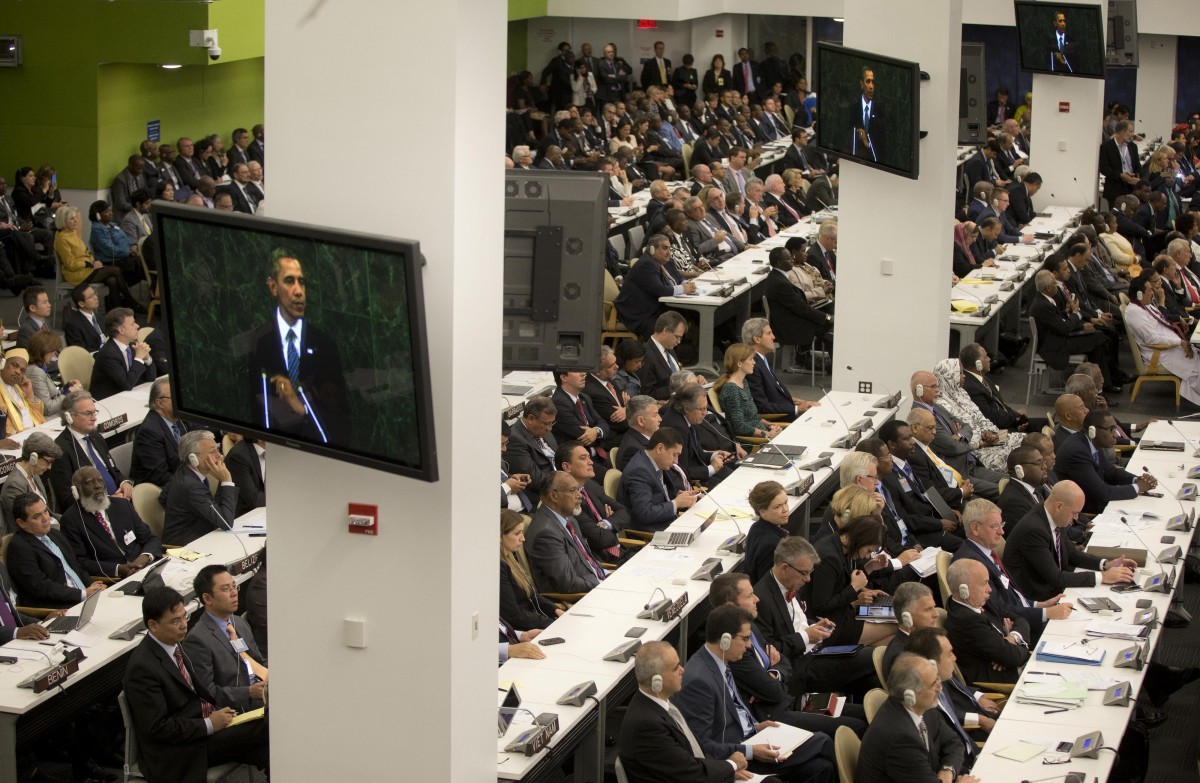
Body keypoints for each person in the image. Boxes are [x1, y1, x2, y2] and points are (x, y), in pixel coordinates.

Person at [674, 605, 838, 783]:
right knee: (823, 740)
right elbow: (701, 745)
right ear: (725, 640)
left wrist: (756, 725)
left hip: (754, 736)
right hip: (739, 755)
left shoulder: (721, 660)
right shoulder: (700, 681)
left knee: (821, 768)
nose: (749, 645)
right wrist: (751, 751)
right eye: (745, 639)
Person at [124, 586, 270, 782]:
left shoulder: (173, 644)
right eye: (176, 621)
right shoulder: (142, 668)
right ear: (153, 625)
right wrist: (209, 724)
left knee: (272, 751)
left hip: (202, 729)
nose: (184, 625)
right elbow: (158, 728)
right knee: (268, 725)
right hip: (181, 748)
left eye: (185, 617)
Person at [708, 573, 870, 739]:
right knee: (857, 727)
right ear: (729, 604)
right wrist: (775, 672)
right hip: (776, 714)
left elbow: (783, 661)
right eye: (750, 595)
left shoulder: (751, 626)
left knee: (866, 713)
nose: (757, 599)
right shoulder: (733, 644)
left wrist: (774, 672)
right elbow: (773, 691)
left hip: (792, 699)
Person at [753, 537, 879, 698]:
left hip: (816, 649)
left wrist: (815, 626)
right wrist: (806, 636)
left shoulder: (789, 581)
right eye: (804, 573)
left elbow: (798, 620)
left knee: (873, 677)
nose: (808, 579)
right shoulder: (761, 599)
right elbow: (770, 650)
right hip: (799, 666)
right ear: (784, 568)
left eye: (810, 572)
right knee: (873, 657)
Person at [249, 248, 349, 445]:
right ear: (273, 287)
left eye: (301, 282)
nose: (298, 291)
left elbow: (340, 415)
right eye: (289, 281)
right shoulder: (261, 342)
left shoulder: (324, 344)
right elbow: (254, 407)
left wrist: (300, 405)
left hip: (320, 445)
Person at [616, 640, 753, 783]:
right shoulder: (646, 725)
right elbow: (690, 773)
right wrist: (731, 765)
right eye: (675, 668)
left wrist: (724, 771)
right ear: (657, 682)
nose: (682, 670)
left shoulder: (662, 704)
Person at [951, 498, 1072, 642]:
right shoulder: (971, 564)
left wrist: (1039, 605)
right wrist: (1046, 613)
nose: (1002, 532)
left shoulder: (985, 552)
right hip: (1018, 627)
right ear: (975, 528)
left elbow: (1008, 593)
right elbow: (998, 608)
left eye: (1001, 524)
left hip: (1025, 616)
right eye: (995, 526)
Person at [1002, 481, 1136, 601]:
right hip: (1040, 597)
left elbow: (1070, 553)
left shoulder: (1052, 516)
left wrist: (1105, 564)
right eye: (1074, 513)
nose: (1076, 518)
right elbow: (1056, 579)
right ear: (1059, 506)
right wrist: (1103, 577)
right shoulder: (1034, 530)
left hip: (1055, 588)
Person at [855, 654, 975, 783]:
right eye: (933, 684)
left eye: (938, 679)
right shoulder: (900, 738)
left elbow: (954, 742)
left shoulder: (922, 708)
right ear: (910, 696)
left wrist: (948, 770)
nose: (940, 688)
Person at [902, 629, 992, 772]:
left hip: (972, 758)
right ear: (931, 664)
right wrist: (951, 771)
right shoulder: (922, 706)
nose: (955, 658)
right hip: (963, 769)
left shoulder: (940, 686)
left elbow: (953, 741)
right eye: (949, 654)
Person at [182, 565, 269, 713]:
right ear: (207, 598)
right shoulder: (197, 640)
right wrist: (247, 692)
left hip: (265, 692)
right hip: (240, 708)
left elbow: (259, 661)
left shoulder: (239, 623)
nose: (234, 593)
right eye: (225, 589)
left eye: (234, 586)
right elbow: (207, 693)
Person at [807, 515, 900, 648]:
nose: (867, 556)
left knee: (891, 639)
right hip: (831, 625)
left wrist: (869, 568)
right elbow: (821, 607)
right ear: (859, 539)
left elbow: (845, 578)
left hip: (846, 613)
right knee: (901, 624)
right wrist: (854, 589)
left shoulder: (843, 547)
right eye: (868, 551)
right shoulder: (828, 557)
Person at [6, 492, 106, 609]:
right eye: (37, 516)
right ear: (21, 523)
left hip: (86, 598)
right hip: (59, 609)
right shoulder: (19, 547)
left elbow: (76, 566)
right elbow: (40, 587)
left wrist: (90, 585)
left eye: (46, 511)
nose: (45, 519)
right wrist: (83, 594)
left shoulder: (56, 535)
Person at [61, 466, 161, 579]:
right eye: (90, 482)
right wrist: (118, 569)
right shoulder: (71, 520)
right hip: (115, 579)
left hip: (146, 567)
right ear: (76, 491)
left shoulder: (122, 505)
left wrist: (145, 557)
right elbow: (81, 562)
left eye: (100, 480)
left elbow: (150, 538)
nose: (98, 486)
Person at [944, 559, 1030, 686]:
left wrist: (1013, 638)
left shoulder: (979, 601)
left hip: (1018, 667)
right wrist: (1012, 649)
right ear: (964, 590)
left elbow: (1020, 620)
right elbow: (1014, 658)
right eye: (984, 583)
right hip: (1006, 679)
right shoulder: (966, 620)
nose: (989, 589)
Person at [47, 391, 133, 514]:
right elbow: (68, 499)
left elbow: (113, 470)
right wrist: (110, 501)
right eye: (88, 413)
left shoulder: (95, 436)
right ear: (69, 417)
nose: (94, 418)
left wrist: (125, 483)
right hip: (95, 513)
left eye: (94, 412)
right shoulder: (61, 450)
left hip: (121, 501)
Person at [1055, 409, 1155, 513]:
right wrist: (1138, 487)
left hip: (1096, 500)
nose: (1115, 434)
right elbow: (1103, 493)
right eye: (1111, 429)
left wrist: (1136, 479)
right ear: (1093, 430)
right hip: (1084, 509)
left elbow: (1110, 471)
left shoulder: (1090, 442)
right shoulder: (1077, 452)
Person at [523, 471, 606, 594]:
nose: (580, 495)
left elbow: (587, 561)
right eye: (572, 490)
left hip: (595, 583)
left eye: (578, 489)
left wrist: (607, 575)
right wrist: (600, 582)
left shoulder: (569, 519)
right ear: (554, 496)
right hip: (581, 598)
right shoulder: (546, 534)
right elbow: (569, 584)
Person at [1125, 272, 1200, 406]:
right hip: (1160, 353)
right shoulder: (1134, 312)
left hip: (1171, 347)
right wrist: (1180, 342)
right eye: (1149, 291)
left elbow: (1163, 321)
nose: (1152, 293)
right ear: (1139, 294)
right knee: (1196, 370)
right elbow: (1151, 338)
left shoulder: (1145, 306)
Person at [53, 205, 141, 312]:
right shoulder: (61, 239)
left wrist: (94, 261)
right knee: (116, 270)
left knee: (112, 280)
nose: (76, 221)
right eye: (72, 219)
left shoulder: (72, 233)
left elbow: (86, 252)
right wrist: (89, 263)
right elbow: (70, 264)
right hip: (76, 275)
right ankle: (131, 302)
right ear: (63, 221)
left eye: (76, 217)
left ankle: (117, 311)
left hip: (86, 269)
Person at [161, 430, 240, 546]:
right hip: (184, 548)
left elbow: (216, 509)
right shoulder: (191, 486)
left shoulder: (185, 471)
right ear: (193, 458)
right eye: (212, 452)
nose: (220, 456)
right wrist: (226, 480)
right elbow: (226, 522)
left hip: (202, 537)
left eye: (217, 449)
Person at [555, 441, 627, 562]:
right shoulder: (567, 500)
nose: (591, 462)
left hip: (621, 552)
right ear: (567, 467)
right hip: (604, 563)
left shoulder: (590, 485)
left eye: (589, 457)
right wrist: (613, 525)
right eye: (583, 458)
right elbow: (599, 539)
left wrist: (605, 524)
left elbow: (623, 511)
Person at [617, 427, 698, 532]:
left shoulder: (652, 462)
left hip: (668, 523)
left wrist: (679, 498)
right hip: (655, 532)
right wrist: (676, 503)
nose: (676, 461)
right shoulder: (639, 471)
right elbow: (644, 514)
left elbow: (657, 498)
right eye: (674, 454)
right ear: (660, 448)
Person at [615, 236, 696, 340]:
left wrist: (687, 284)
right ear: (652, 249)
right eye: (664, 248)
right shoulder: (646, 264)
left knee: (693, 313)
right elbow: (660, 290)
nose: (668, 252)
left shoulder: (666, 261)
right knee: (675, 321)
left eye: (669, 248)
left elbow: (678, 279)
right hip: (641, 313)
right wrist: (684, 289)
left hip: (657, 308)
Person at [500, 509, 561, 632]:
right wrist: (552, 624)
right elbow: (514, 615)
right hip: (525, 631)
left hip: (534, 621)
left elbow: (531, 594)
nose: (522, 539)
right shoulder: (499, 567)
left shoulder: (511, 558)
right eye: (517, 534)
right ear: (500, 536)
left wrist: (556, 610)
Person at [131, 377, 189, 487]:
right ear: (160, 403)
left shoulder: (177, 419)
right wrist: (193, 478)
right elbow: (159, 476)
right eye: (176, 397)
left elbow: (198, 432)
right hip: (158, 491)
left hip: (180, 479)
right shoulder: (149, 432)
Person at [89, 307, 156, 400]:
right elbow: (127, 384)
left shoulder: (132, 346)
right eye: (132, 324)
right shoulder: (108, 354)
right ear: (121, 330)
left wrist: (147, 358)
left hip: (127, 395)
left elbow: (151, 377)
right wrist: (139, 358)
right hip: (108, 400)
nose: (137, 326)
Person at [0, 433, 61, 536]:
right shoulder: (14, 486)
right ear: (34, 457)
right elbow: (21, 528)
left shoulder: (35, 474)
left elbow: (49, 514)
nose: (49, 467)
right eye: (48, 462)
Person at [503, 395, 559, 505]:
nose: (550, 428)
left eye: (552, 423)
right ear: (531, 418)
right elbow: (536, 480)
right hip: (544, 495)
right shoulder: (515, 440)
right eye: (546, 424)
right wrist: (566, 479)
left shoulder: (542, 428)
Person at [880, 582, 938, 680]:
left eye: (934, 607)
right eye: (928, 609)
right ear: (907, 617)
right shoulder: (901, 658)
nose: (936, 614)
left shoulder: (923, 641)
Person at [743, 481, 791, 585]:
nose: (785, 509)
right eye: (777, 506)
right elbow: (769, 586)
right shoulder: (772, 545)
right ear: (762, 511)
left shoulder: (756, 527)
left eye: (786, 503)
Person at [26, 331, 81, 416]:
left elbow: (52, 395)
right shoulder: (35, 372)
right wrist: (68, 393)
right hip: (51, 420)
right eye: (53, 351)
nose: (54, 354)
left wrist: (66, 388)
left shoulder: (39, 368)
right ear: (45, 351)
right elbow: (48, 408)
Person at [637, 311, 688, 401]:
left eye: (680, 338)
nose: (679, 342)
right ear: (665, 331)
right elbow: (648, 394)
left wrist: (691, 378)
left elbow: (677, 374)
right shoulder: (646, 355)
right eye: (677, 337)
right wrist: (678, 386)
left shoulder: (669, 348)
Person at [0, 348, 45, 437]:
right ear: (3, 364)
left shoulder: (19, 388)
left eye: (22, 370)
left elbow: (39, 416)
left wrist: (30, 395)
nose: (18, 372)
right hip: (17, 438)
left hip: (36, 432)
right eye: (14, 365)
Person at [615, 394, 661, 471]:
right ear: (640, 421)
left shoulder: (651, 438)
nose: (660, 419)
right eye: (655, 415)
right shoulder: (633, 451)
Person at [225, 437, 267, 517]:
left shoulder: (274, 453)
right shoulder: (238, 456)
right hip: (244, 515)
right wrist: (280, 500)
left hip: (263, 510)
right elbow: (253, 499)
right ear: (260, 437)